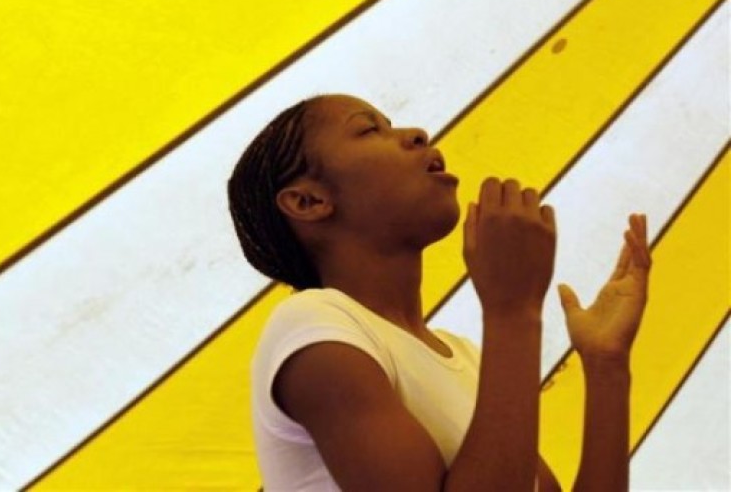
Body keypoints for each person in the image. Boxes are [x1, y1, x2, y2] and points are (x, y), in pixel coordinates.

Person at [227, 94, 651, 491]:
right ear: (308, 201)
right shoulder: (311, 326)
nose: (416, 134)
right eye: (369, 130)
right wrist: (513, 309)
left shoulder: (464, 357)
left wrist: (606, 364)